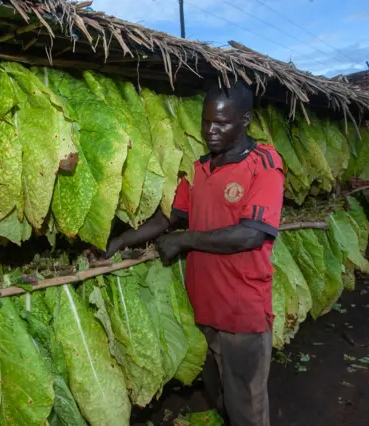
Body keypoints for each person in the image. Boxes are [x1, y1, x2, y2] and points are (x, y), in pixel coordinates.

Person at [104, 81, 284, 426]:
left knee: (247, 406)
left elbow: (250, 234)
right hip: (204, 310)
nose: (210, 131)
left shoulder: (263, 165)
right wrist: (122, 240)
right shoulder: (201, 168)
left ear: (245, 120)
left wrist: (185, 240)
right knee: (219, 396)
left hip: (241, 315)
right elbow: (170, 217)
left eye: (221, 123)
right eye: (206, 123)